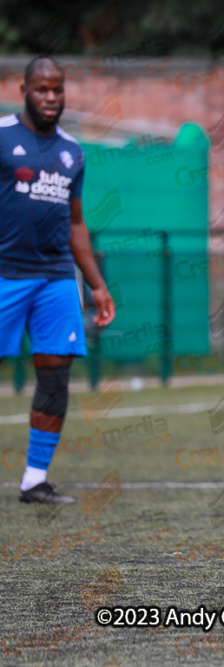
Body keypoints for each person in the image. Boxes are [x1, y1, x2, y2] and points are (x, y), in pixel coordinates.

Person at [0, 56, 116, 504]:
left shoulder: (72, 152)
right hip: (5, 273)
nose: (51, 98)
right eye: (42, 89)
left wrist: (97, 284)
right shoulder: (4, 136)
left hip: (54, 279)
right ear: (23, 88)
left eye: (57, 89)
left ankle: (34, 480)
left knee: (55, 376)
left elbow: (75, 224)